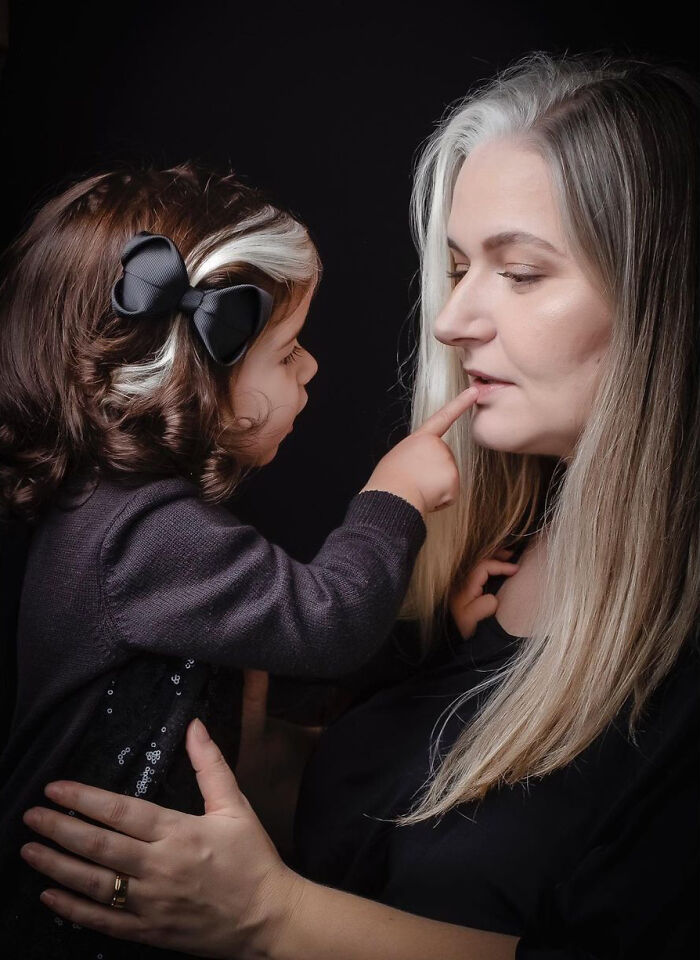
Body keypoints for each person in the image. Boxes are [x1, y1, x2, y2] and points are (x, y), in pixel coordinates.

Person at [19, 50, 700, 959]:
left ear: (666, 301)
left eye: (521, 272)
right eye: (459, 267)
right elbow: (366, 750)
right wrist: (261, 764)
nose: (454, 319)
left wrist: (273, 916)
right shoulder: (499, 545)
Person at [0, 162, 499, 957]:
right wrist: (393, 498)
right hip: (77, 923)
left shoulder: (126, 515)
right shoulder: (140, 533)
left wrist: (435, 630)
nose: (311, 369)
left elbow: (289, 653)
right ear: (199, 376)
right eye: (289, 350)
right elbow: (324, 625)